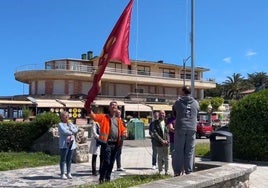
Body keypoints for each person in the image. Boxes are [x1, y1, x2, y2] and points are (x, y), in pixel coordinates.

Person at [88, 101, 127, 184]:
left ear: (117, 109)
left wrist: (124, 133)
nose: (114, 107)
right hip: (106, 143)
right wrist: (88, 108)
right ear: (109, 108)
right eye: (112, 106)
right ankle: (102, 178)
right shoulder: (104, 117)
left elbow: (123, 129)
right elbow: (94, 117)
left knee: (112, 162)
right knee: (106, 161)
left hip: (116, 144)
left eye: (115, 106)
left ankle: (108, 178)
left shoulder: (118, 120)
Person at [172, 86, 200, 176]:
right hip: (192, 128)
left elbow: (174, 113)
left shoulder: (178, 102)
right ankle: (188, 171)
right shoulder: (196, 103)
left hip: (181, 127)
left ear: (183, 92)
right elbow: (197, 113)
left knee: (178, 150)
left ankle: (177, 172)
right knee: (190, 151)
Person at [58, 111, 79, 179]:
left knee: (69, 159)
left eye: (67, 115)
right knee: (63, 159)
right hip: (64, 144)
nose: (67, 117)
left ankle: (69, 172)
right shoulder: (60, 124)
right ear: (62, 117)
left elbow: (76, 129)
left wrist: (71, 129)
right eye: (65, 116)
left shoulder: (70, 124)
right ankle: (62, 173)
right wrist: (71, 131)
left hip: (71, 143)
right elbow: (64, 132)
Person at [151, 110, 169, 175]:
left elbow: (168, 132)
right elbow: (155, 133)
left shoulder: (167, 122)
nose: (162, 115)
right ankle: (160, 171)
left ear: (165, 114)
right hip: (159, 143)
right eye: (161, 114)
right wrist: (162, 140)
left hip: (166, 143)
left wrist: (167, 140)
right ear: (159, 115)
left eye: (163, 113)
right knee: (160, 157)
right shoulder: (155, 123)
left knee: (166, 158)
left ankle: (166, 171)